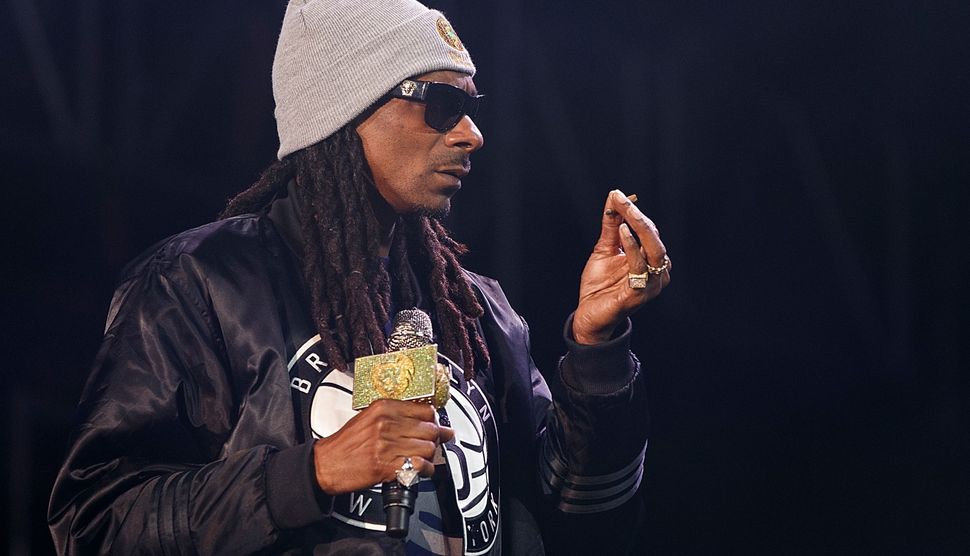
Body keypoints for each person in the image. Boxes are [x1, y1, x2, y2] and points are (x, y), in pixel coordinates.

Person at [48, 1, 671, 554]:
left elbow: (588, 525)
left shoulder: (477, 312)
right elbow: (95, 525)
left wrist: (596, 350)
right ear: (345, 110)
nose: (473, 135)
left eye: (473, 109)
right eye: (443, 106)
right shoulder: (201, 285)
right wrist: (310, 473)